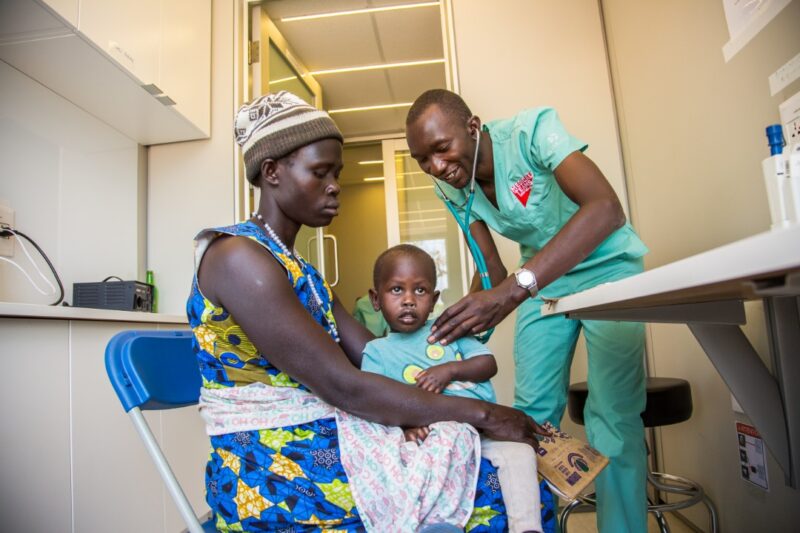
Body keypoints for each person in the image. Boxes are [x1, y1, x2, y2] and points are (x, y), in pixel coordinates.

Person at [187, 90, 549, 532]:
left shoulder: (299, 269)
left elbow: (378, 357)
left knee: (484, 461)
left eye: (336, 173)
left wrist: (449, 360)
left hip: (314, 434)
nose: (336, 185)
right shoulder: (240, 258)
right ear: (271, 172)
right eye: (320, 172)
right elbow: (345, 386)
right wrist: (482, 414)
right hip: (267, 464)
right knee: (495, 491)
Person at [405, 89, 649, 532]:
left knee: (611, 413)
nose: (436, 167)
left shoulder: (533, 132)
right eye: (423, 160)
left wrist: (515, 289)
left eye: (441, 149)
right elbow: (491, 269)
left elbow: (606, 209)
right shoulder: (450, 187)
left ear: (473, 126)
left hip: (605, 267)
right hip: (543, 282)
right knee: (529, 417)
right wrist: (444, 334)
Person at [362, 244, 544, 533]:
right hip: (431, 435)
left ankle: (528, 527)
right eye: (397, 290)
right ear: (376, 299)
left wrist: (449, 371)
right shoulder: (377, 352)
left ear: (434, 300)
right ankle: (439, 524)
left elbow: (487, 363)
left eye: (420, 291)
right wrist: (407, 428)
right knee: (416, 457)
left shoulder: (447, 331)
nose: (408, 300)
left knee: (520, 453)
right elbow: (376, 405)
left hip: (483, 431)